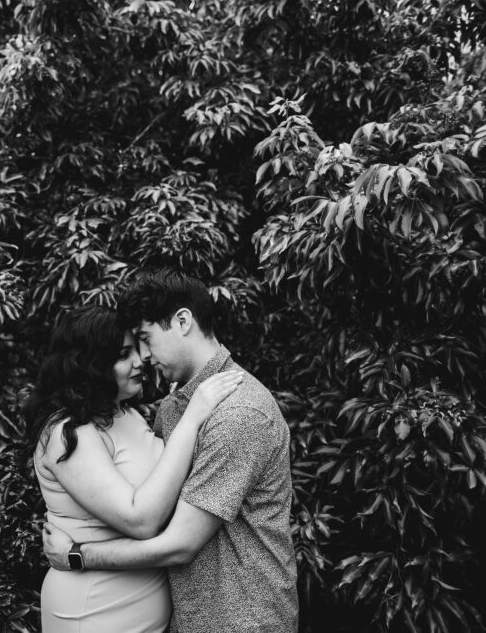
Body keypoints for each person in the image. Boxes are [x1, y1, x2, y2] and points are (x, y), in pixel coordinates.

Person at [43, 271, 299, 632]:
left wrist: (78, 555)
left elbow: (179, 544)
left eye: (146, 339)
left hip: (240, 619)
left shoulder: (238, 413)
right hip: (187, 617)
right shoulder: (174, 407)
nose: (144, 357)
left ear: (182, 321)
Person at [27, 305, 243, 632]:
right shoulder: (67, 433)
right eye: (123, 354)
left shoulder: (127, 415)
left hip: (144, 608)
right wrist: (194, 416)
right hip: (94, 609)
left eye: (138, 349)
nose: (140, 360)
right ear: (91, 365)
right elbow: (140, 520)